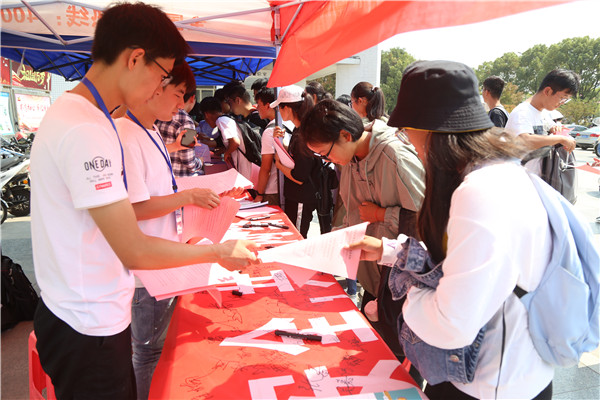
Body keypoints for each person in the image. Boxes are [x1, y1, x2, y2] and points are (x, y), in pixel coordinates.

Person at [29, 4, 256, 399]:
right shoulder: (85, 128)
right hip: (87, 325)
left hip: (83, 314)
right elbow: (132, 248)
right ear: (135, 59)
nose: (159, 89)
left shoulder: (83, 117)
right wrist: (218, 253)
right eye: (162, 75)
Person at [349, 60, 554, 400]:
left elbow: (450, 324)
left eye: (408, 131)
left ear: (431, 131)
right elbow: (457, 259)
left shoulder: (478, 193)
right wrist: (392, 252)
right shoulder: (497, 172)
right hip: (505, 370)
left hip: (488, 383)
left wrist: (410, 289)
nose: (409, 142)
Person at [115, 61, 235, 400]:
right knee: (148, 353)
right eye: (178, 94)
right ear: (155, 86)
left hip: (163, 259)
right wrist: (187, 197)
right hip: (147, 269)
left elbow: (157, 190)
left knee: (157, 348)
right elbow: (134, 208)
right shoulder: (126, 134)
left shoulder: (151, 130)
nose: (181, 105)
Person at [299, 99, 425, 311]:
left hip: (403, 283)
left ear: (345, 135)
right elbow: (353, 214)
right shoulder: (351, 160)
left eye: (326, 154)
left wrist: (381, 214)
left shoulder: (395, 155)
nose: (328, 160)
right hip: (373, 279)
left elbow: (426, 220)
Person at [271, 85, 332, 237]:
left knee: (296, 236)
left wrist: (279, 165)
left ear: (288, 108)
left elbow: (299, 177)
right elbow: (298, 158)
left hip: (302, 197)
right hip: (300, 196)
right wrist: (280, 142)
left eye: (279, 107)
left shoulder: (303, 134)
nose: (278, 111)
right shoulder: (301, 130)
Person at [505, 69, 579, 176]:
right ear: (548, 91)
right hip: (518, 178)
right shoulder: (522, 112)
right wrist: (560, 139)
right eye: (562, 98)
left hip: (534, 177)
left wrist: (557, 129)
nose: (562, 103)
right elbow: (525, 140)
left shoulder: (544, 113)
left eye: (566, 100)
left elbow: (553, 127)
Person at [155, 81, 202, 177]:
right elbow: (189, 162)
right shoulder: (186, 122)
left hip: (159, 174)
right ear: (192, 98)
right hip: (179, 178)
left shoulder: (159, 115)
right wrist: (200, 162)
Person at [253, 87, 280, 205]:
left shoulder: (269, 131)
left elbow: (266, 168)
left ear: (268, 105)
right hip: (286, 187)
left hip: (272, 190)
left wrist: (260, 194)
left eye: (259, 105)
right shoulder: (287, 124)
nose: (256, 108)